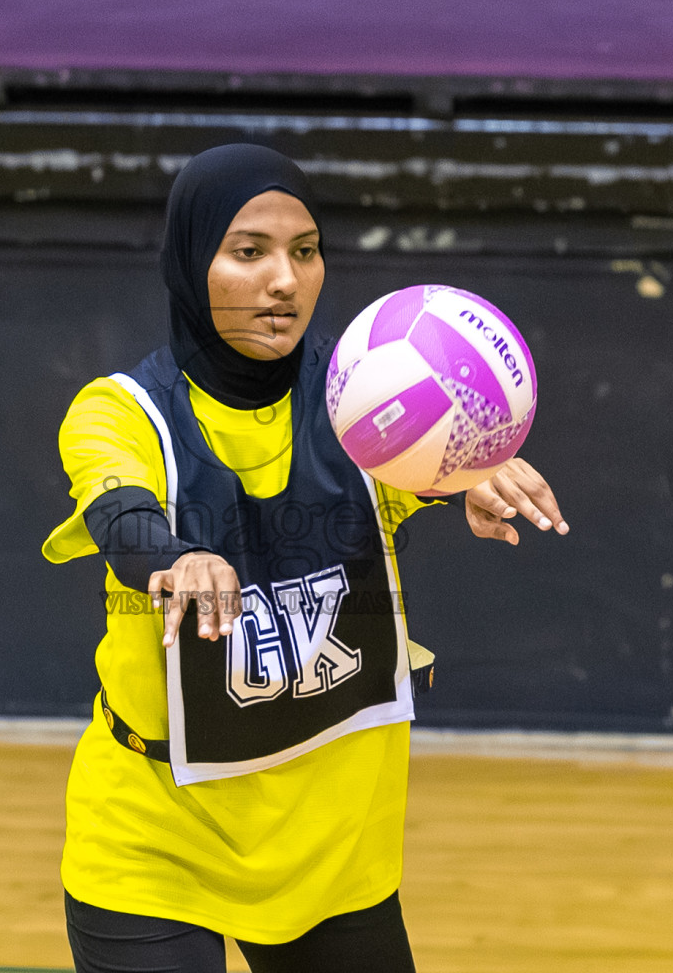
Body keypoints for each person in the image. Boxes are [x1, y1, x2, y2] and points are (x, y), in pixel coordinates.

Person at [41, 143, 567, 973]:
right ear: (190, 264)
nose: (284, 280)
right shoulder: (120, 411)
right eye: (249, 252)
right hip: (156, 841)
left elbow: (420, 459)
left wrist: (470, 468)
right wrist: (175, 557)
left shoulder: (364, 400)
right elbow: (118, 511)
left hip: (333, 852)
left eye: (306, 250)